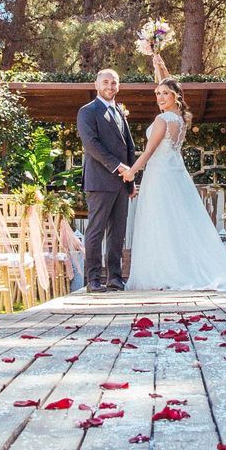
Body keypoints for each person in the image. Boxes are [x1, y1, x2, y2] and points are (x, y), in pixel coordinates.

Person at [124, 49, 226, 293]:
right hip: (175, 175)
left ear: (175, 96)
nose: (160, 97)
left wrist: (131, 172)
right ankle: (175, 269)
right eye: (158, 94)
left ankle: (165, 273)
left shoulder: (163, 120)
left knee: (160, 224)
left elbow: (149, 152)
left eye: (165, 94)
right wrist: (159, 66)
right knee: (175, 223)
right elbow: (169, 84)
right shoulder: (180, 120)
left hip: (160, 176)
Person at [75, 68, 136, 291]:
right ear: (97, 84)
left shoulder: (119, 111)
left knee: (117, 232)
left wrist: (130, 180)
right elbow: (91, 144)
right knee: (96, 231)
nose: (110, 87)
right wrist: (118, 166)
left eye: (114, 83)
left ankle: (115, 277)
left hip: (122, 183)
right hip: (100, 181)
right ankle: (93, 279)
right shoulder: (87, 111)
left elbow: (128, 146)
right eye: (106, 82)